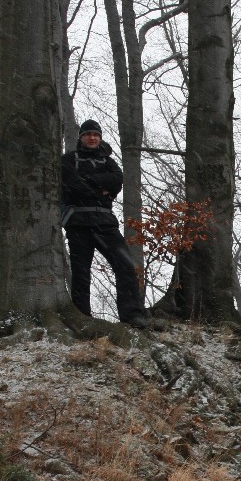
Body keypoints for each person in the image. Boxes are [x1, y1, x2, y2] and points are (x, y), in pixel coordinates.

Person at [61, 119, 148, 329]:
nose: (92, 138)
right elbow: (69, 183)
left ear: (100, 138)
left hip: (105, 223)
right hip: (78, 222)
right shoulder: (69, 159)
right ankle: (82, 318)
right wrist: (98, 188)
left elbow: (117, 180)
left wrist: (87, 181)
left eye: (96, 135)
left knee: (126, 265)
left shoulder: (108, 161)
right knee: (81, 272)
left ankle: (132, 315)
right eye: (88, 134)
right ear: (81, 137)